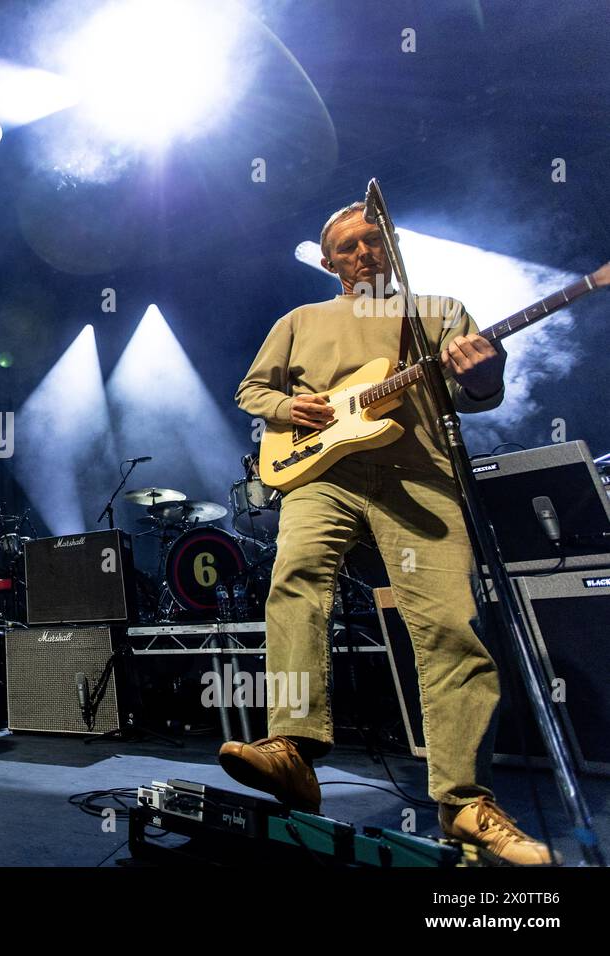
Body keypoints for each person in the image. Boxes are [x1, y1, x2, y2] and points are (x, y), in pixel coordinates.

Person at [225, 199, 556, 865]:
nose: (363, 253)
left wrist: (484, 373)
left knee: (453, 623)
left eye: (373, 240)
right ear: (328, 263)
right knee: (296, 581)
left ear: (394, 244)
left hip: (421, 474)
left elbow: (478, 393)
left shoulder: (436, 310)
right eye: (347, 247)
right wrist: (293, 405)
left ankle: (465, 803)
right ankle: (291, 748)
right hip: (322, 473)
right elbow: (252, 391)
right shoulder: (301, 320)